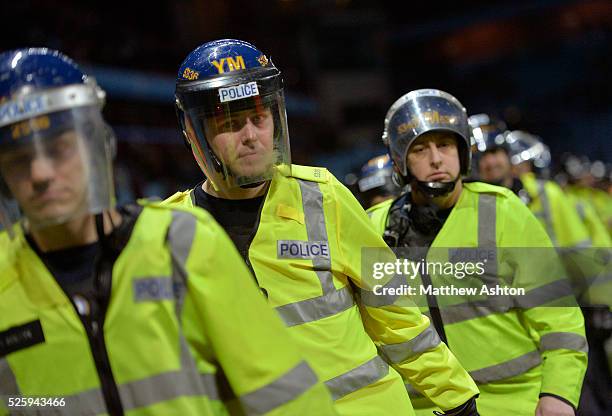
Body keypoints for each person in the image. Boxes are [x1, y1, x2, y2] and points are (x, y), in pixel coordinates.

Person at [0, 48, 338, 416]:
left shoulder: (182, 243)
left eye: (60, 148)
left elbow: (283, 394)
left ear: (96, 144)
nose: (40, 174)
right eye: (18, 159)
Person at [165, 39, 480, 416]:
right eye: (230, 123)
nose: (251, 136)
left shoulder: (322, 196)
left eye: (259, 118)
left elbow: (395, 310)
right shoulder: (171, 229)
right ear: (194, 133)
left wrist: (456, 398)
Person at [368, 89, 588, 415]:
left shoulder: (502, 210)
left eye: (444, 145)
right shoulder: (374, 226)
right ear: (400, 159)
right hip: (420, 408)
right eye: (420, 149)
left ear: (462, 151)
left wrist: (558, 393)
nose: (436, 159)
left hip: (516, 403)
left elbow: (558, 315)